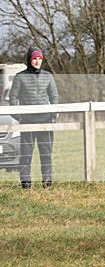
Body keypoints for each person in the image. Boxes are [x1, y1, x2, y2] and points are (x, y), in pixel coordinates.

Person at [8, 47, 59, 189]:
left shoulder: (48, 76)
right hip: (27, 122)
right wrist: (19, 118)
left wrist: (53, 116)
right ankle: (26, 185)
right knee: (26, 155)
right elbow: (13, 98)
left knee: (46, 154)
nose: (37, 62)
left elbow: (54, 97)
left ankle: (47, 184)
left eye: (39, 59)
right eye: (34, 59)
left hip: (45, 122)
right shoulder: (20, 77)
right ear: (30, 59)